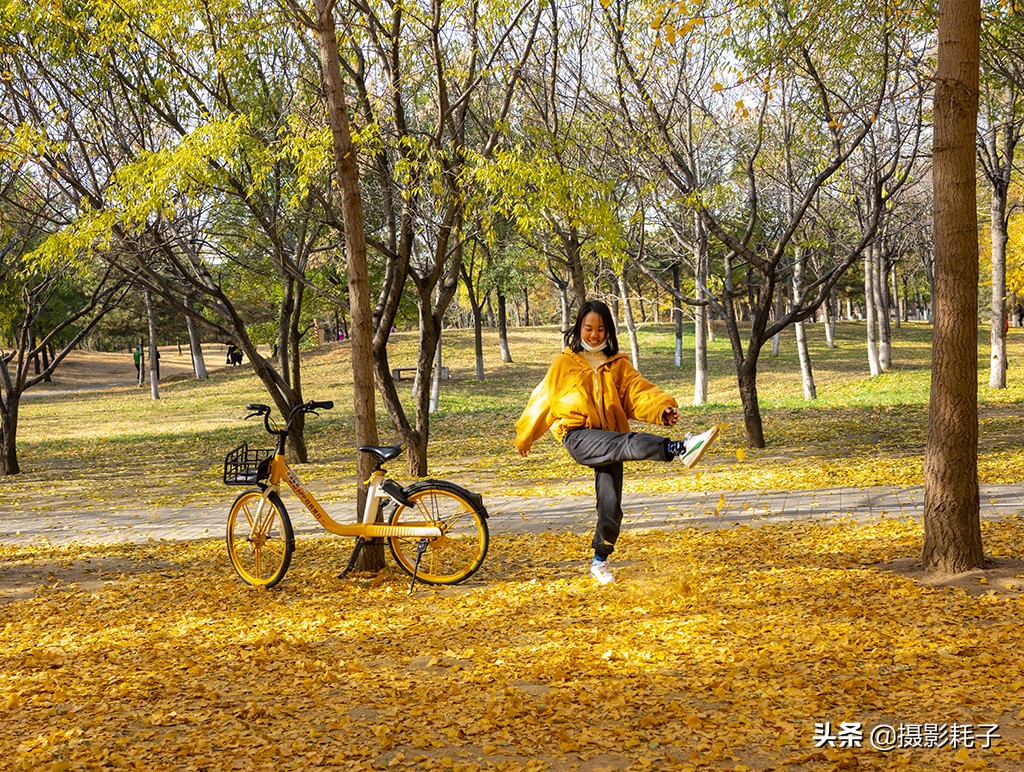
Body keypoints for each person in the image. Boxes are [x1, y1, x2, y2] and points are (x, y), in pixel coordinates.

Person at [514, 299, 719, 586]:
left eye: (600, 329)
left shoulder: (618, 364)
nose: (594, 335)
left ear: (608, 330)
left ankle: (599, 562)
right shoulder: (564, 363)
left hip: (611, 437)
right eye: (588, 328)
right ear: (579, 329)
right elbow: (542, 401)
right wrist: (526, 436)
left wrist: (662, 409)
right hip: (579, 436)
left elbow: (638, 392)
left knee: (611, 506)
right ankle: (678, 448)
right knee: (627, 443)